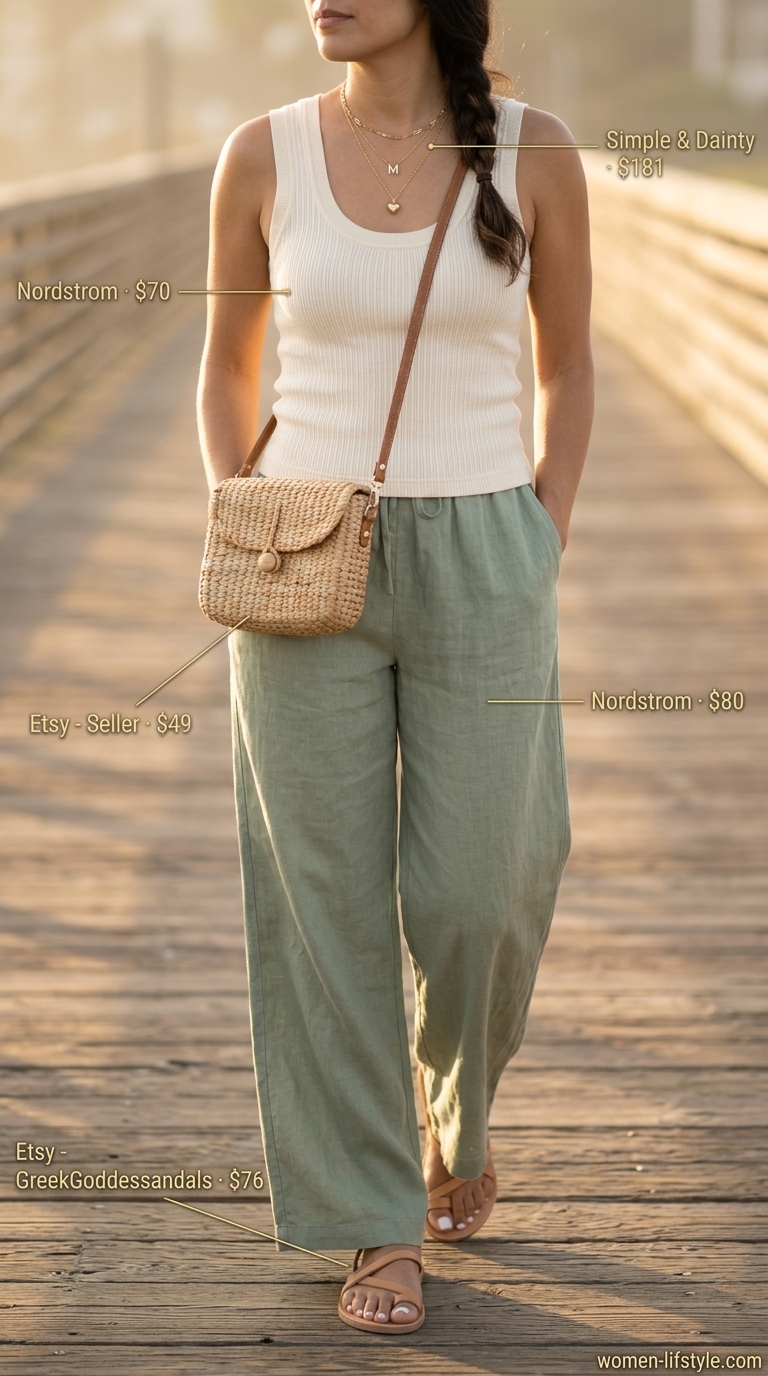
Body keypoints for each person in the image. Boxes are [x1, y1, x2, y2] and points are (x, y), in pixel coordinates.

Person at [197, 0, 593, 1337]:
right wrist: (239, 512)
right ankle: (373, 1220)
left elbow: (573, 363)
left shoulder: (535, 155)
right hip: (300, 552)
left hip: (487, 546)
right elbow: (224, 367)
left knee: (487, 883)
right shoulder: (260, 154)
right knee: (322, 897)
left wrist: (543, 533)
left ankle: (454, 1116)